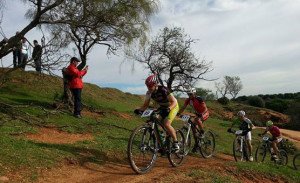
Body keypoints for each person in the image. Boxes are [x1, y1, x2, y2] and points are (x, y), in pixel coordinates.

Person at [134, 74, 180, 152]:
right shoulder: (149, 93)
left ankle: (176, 143)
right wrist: (139, 110)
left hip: (173, 106)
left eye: (150, 86)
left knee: (166, 123)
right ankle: (160, 142)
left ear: (155, 84)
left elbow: (174, 101)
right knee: (153, 122)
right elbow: (145, 105)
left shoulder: (163, 89)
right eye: (147, 86)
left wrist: (169, 109)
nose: (148, 88)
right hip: (162, 107)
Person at [177, 88, 209, 152]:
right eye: (188, 94)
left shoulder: (199, 99)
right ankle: (196, 143)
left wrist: (202, 114)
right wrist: (178, 113)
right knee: (193, 128)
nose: (189, 96)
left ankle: (202, 132)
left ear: (194, 94)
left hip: (205, 113)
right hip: (197, 113)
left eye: (191, 94)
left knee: (197, 119)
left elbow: (205, 108)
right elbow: (183, 107)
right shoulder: (188, 100)